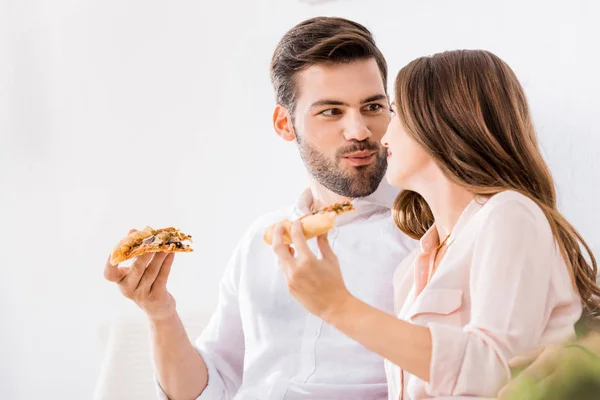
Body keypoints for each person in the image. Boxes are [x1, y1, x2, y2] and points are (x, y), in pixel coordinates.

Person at [103, 17, 417, 400]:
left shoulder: (422, 232)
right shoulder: (261, 240)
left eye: (372, 106)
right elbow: (208, 387)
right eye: (331, 112)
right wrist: (159, 312)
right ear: (286, 125)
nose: (360, 131)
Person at [271, 49, 600, 399]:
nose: (382, 138)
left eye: (393, 113)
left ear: (441, 122)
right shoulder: (411, 270)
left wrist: (338, 306)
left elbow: (496, 374)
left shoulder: (509, 214)